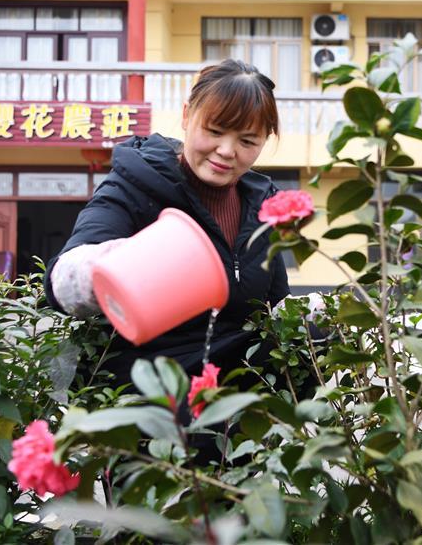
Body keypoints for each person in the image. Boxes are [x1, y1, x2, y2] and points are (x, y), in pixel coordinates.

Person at [43, 59, 291, 400]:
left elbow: (277, 310)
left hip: (237, 426)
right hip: (145, 416)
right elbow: (62, 282)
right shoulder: (135, 185)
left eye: (248, 141)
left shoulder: (263, 208)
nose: (227, 151)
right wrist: (130, 263)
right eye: (215, 131)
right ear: (187, 115)